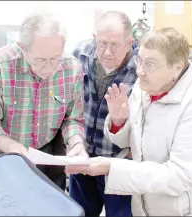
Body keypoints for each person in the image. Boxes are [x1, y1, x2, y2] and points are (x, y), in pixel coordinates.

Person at [66, 27, 192, 216]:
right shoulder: (143, 87)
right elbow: (131, 144)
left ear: (177, 68)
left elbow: (180, 176)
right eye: (140, 61)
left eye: (150, 64)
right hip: (141, 207)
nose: (140, 72)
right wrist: (119, 122)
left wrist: (112, 168)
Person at [0, 13, 88, 191]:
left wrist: (77, 143)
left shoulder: (72, 68)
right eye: (40, 60)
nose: (49, 68)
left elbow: (72, 119)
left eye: (55, 58)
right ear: (23, 48)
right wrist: (12, 146)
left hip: (50, 153)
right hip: (6, 151)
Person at [68, 11, 138, 216]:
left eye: (115, 45)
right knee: (79, 211)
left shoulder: (141, 68)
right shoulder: (80, 54)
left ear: (129, 42)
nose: (106, 52)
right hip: (83, 157)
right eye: (102, 43)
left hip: (118, 164)